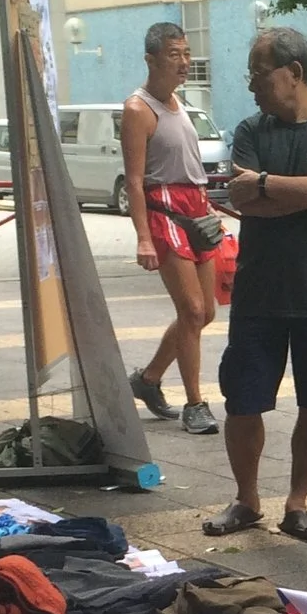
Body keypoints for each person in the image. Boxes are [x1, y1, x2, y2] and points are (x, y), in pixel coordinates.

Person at [204, 26, 307, 541]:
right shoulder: (251, 130)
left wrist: (268, 185)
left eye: (259, 72)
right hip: (258, 294)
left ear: (294, 73)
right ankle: (246, 499)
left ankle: (298, 504)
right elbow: (244, 201)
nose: (251, 83)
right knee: (243, 400)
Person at [125, 22, 224, 436]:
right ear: (151, 59)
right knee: (192, 310)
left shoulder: (179, 103)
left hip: (196, 209)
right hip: (164, 211)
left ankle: (148, 380)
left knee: (206, 311)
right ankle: (195, 404)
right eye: (174, 55)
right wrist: (143, 237)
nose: (184, 62)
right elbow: (133, 180)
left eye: (186, 54)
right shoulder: (137, 109)